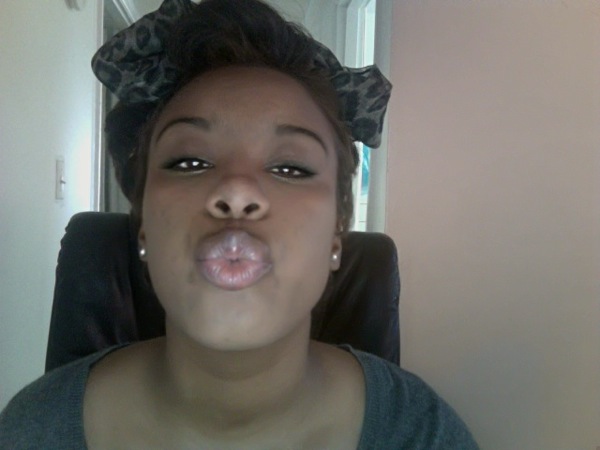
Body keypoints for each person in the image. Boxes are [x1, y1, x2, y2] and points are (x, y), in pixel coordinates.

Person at [0, 0, 479, 448]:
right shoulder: (31, 429)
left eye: (290, 167)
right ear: (143, 225)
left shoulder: (423, 433)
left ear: (338, 232)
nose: (236, 190)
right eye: (189, 162)